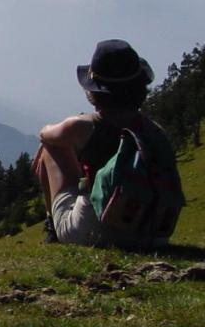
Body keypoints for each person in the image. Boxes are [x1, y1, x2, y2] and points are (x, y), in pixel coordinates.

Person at [34, 39, 168, 246]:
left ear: (95, 90)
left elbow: (45, 133)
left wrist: (72, 128)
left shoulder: (84, 125)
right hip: (152, 235)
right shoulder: (154, 131)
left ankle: (53, 228)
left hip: (94, 234)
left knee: (50, 147)